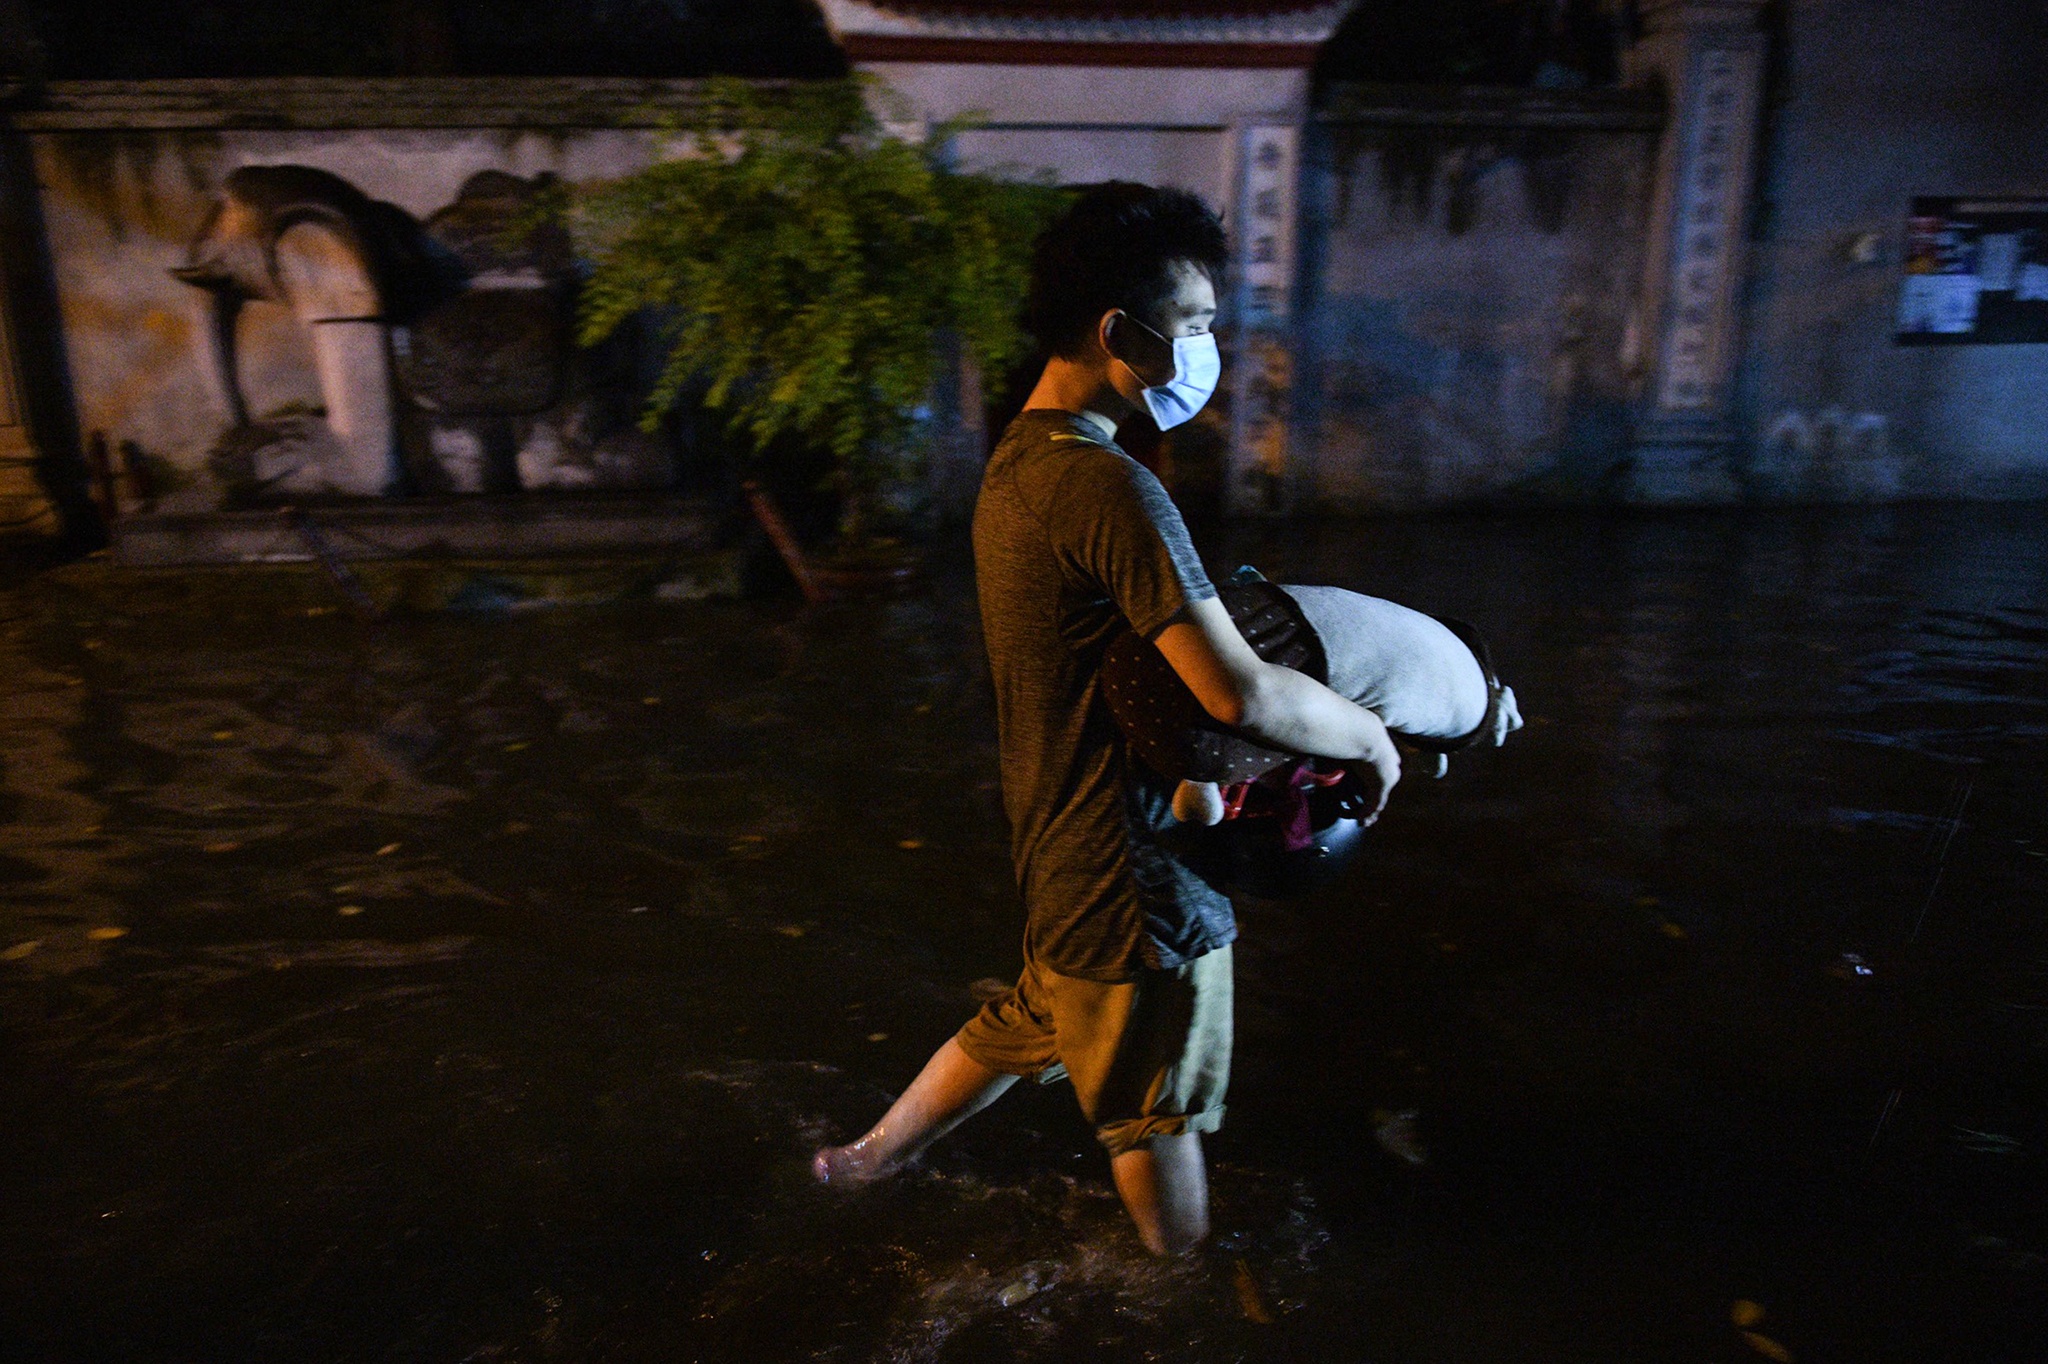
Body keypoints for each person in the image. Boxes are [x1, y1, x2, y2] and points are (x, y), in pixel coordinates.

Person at [811, 183, 1403, 1256]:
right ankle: (1173, 1294)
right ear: (1115, 332)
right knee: (1156, 1108)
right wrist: (1368, 736)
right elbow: (1236, 689)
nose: (1209, 345)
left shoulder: (1018, 467)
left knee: (1036, 1015)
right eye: (1193, 324)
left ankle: (861, 1161)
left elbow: (1114, 678)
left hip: (1059, 838)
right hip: (1134, 873)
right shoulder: (1106, 488)